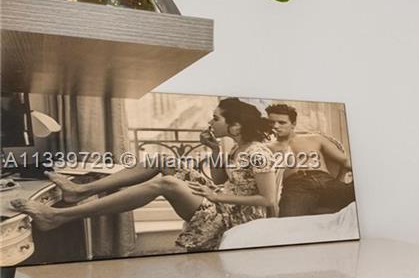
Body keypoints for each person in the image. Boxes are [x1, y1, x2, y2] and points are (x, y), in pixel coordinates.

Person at [10, 98, 280, 252]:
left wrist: (212, 195)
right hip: (222, 200)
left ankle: (57, 216)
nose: (211, 123)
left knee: (167, 183)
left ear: (234, 126)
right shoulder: (237, 147)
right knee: (162, 160)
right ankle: (79, 191)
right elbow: (222, 180)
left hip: (235, 218)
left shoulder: (258, 152)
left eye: (216, 119)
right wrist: (213, 151)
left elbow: (267, 200)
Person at [265, 103, 356, 217]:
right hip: (296, 187)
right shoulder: (266, 148)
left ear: (293, 124)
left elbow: (345, 162)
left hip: (326, 181)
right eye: (271, 122)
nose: (276, 126)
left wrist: (340, 181)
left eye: (282, 122)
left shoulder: (315, 139)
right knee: (288, 222)